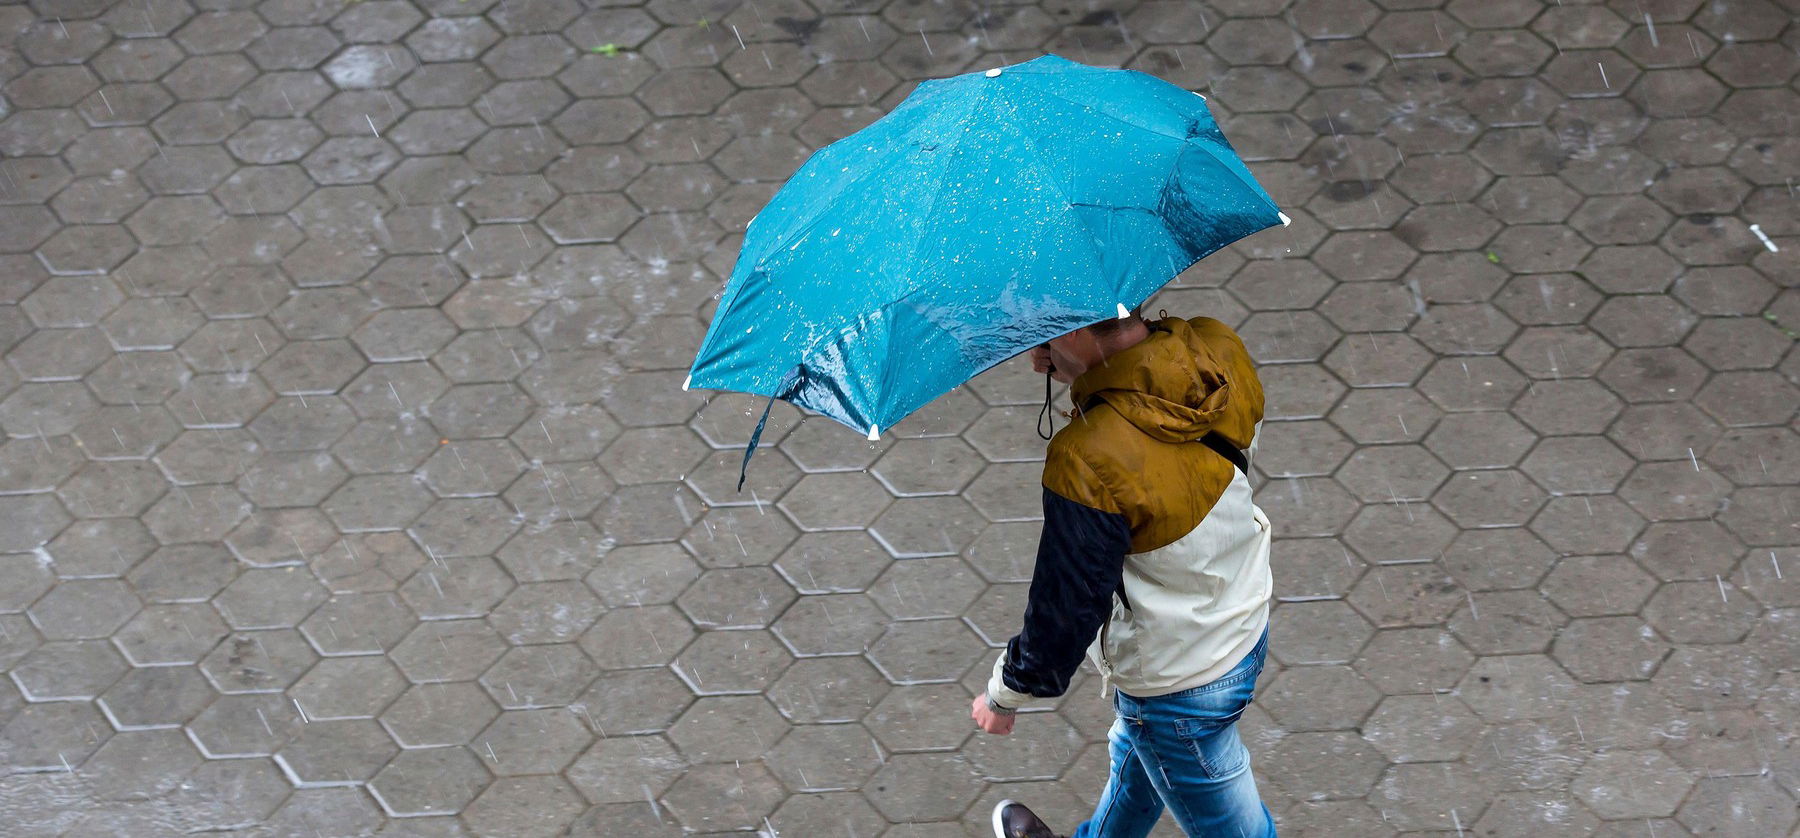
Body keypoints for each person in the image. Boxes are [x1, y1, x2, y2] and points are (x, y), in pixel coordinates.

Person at [971, 309, 1277, 838]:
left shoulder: (1089, 456)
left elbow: (1066, 611)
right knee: (1141, 763)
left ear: (1069, 330)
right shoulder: (1214, 347)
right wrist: (1089, 373)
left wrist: (1005, 693)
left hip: (1177, 683)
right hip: (1239, 620)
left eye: (1039, 330)